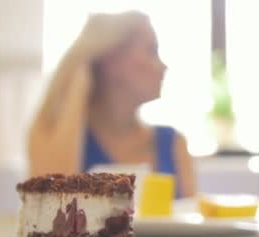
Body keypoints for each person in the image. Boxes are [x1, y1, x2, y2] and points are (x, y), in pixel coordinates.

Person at [27, 11, 195, 198]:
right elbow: (51, 205)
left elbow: (190, 220)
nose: (164, 66)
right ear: (112, 61)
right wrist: (77, 84)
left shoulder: (173, 143)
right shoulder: (51, 132)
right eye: (152, 51)